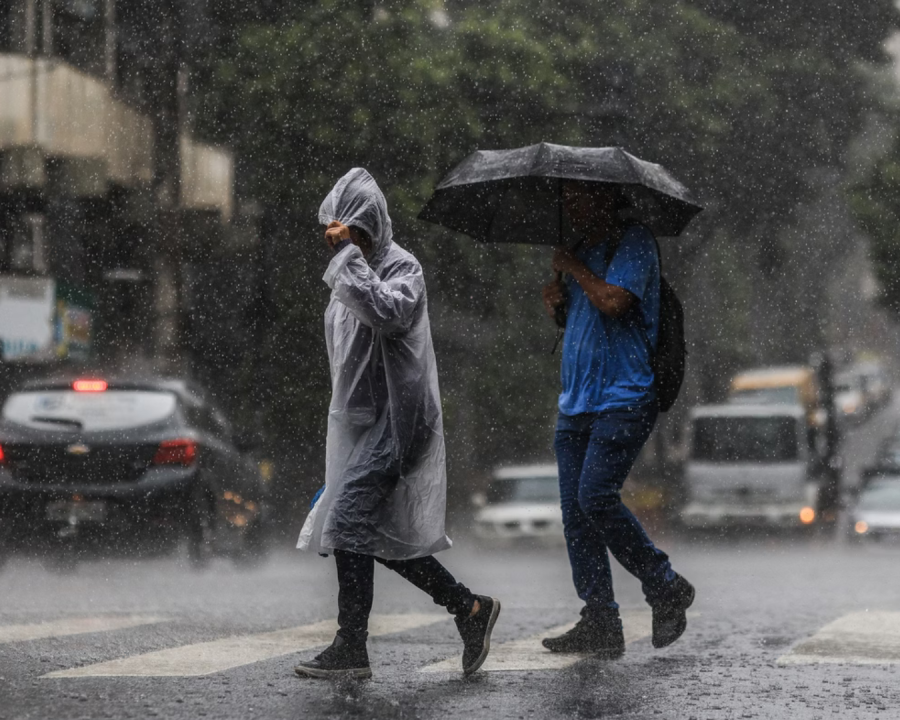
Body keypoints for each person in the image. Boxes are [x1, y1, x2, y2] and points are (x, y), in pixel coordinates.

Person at [294, 168, 500, 679]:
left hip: (400, 425)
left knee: (347, 525)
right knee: (370, 533)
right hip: (365, 425)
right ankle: (471, 609)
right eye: (336, 232)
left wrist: (348, 257)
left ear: (373, 225)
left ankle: (352, 648)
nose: (341, 241)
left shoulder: (401, 268)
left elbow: (385, 313)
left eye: (353, 232)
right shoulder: (350, 272)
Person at [540, 180, 694, 657]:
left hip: (625, 397)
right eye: (565, 198)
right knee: (576, 516)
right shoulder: (582, 247)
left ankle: (665, 584)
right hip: (577, 403)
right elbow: (586, 317)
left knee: (596, 498)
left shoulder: (635, 243)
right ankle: (601, 619)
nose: (568, 205)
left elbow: (614, 302)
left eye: (576, 197)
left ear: (605, 197)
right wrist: (559, 302)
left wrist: (573, 268)